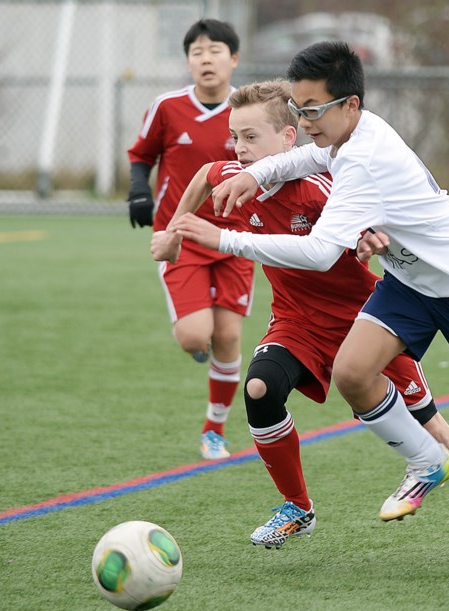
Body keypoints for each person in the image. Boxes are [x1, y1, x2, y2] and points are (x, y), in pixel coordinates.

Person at [173, 42, 449, 571]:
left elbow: (319, 251)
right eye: (298, 109)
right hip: (408, 285)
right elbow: (312, 155)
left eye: (311, 110)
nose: (304, 122)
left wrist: (225, 241)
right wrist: (256, 174)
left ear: (349, 104)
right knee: (353, 372)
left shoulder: (362, 161)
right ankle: (425, 462)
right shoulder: (352, 132)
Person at [126, 19, 253, 460]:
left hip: (236, 238)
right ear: (188, 62)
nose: (206, 59)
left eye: (215, 50)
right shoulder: (167, 106)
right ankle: (198, 344)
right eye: (196, 52)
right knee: (195, 337)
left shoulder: (248, 110)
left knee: (230, 337)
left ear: (233, 58)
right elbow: (141, 154)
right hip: (180, 237)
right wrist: (139, 190)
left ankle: (213, 430)